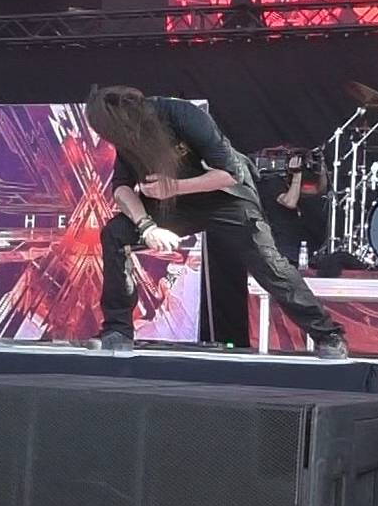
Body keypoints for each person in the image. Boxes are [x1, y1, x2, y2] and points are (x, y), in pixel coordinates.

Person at [86, 86, 348, 358]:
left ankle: (327, 334)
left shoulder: (181, 115)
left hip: (226, 196)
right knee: (115, 233)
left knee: (268, 263)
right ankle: (117, 330)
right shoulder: (124, 136)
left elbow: (230, 174)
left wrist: (173, 187)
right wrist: (146, 226)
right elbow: (121, 188)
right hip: (175, 204)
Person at [255, 152, 327, 267]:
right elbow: (290, 202)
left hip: (298, 238)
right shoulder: (270, 181)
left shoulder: (287, 182)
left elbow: (318, 190)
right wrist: (297, 174)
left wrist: (322, 169)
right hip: (282, 240)